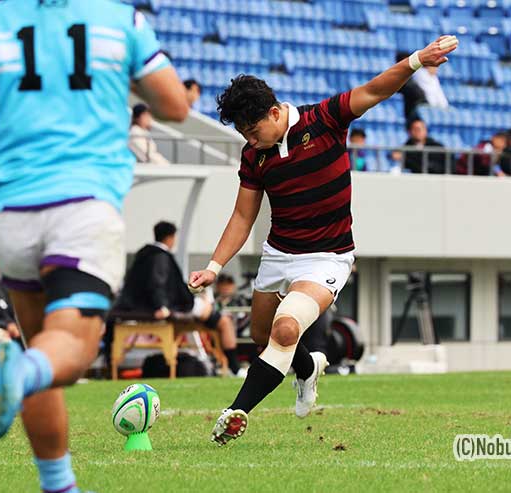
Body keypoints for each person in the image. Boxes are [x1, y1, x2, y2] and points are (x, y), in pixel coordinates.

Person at [0, 1, 188, 492]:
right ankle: (21, 374)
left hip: (11, 210)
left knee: (39, 348)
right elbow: (174, 105)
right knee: (71, 346)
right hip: (82, 204)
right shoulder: (120, 21)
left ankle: (59, 485)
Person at [187, 35, 458, 445]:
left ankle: (236, 412)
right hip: (279, 253)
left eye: (253, 129)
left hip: (327, 258)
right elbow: (243, 215)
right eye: (243, 132)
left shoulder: (324, 119)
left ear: (276, 112)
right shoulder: (253, 155)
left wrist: (416, 61)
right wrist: (213, 266)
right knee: (263, 336)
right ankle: (308, 368)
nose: (249, 139)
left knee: (285, 328)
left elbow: (374, 89)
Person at [114, 221, 240, 375]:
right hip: (168, 306)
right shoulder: (161, 256)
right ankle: (235, 368)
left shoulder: (143, 253)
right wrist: (162, 307)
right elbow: (157, 283)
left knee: (206, 309)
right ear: (171, 237)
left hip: (141, 304)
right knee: (223, 321)